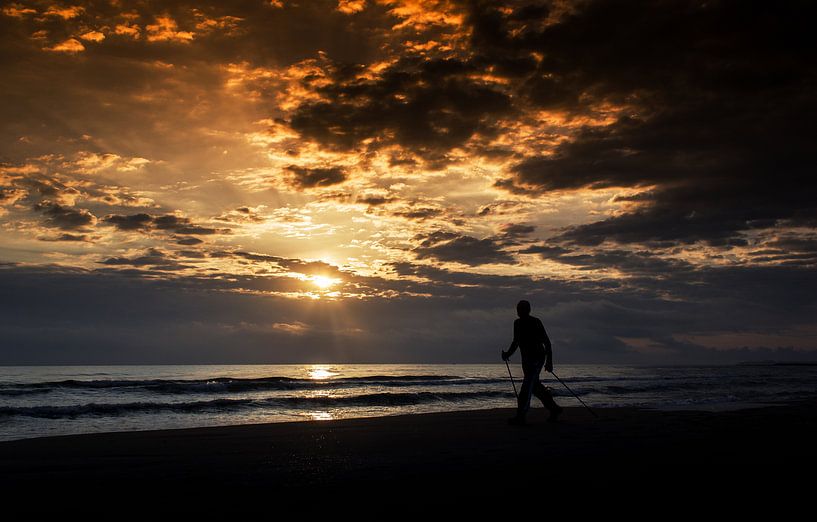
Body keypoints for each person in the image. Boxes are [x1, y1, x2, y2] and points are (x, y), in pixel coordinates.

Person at [502, 300, 564, 425]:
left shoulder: (536, 322)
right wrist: (508, 354)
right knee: (535, 387)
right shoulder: (517, 323)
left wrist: (549, 362)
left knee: (526, 387)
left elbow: (546, 342)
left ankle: (521, 415)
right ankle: (554, 409)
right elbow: (516, 342)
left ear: (528, 310)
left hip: (537, 359)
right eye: (518, 309)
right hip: (526, 360)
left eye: (522, 309)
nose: (519, 311)